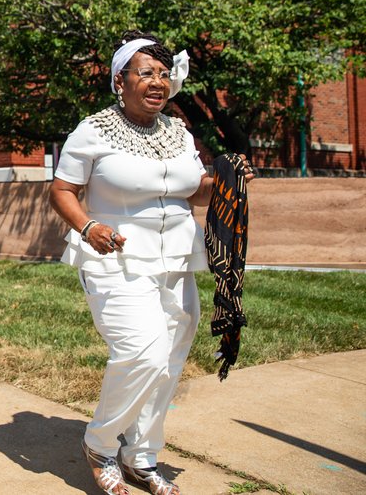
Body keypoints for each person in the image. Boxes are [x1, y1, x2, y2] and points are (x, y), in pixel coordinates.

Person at [49, 31, 255, 495]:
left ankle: (141, 454)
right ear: (120, 82)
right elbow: (61, 191)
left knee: (170, 360)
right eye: (146, 73)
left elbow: (194, 189)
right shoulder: (94, 129)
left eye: (164, 74)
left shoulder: (177, 131)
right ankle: (100, 443)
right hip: (115, 257)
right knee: (143, 352)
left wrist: (225, 177)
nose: (158, 82)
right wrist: (88, 227)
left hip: (178, 259)